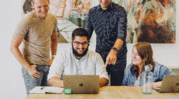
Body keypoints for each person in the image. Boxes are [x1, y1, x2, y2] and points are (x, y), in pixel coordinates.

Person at [10, 0, 57, 95]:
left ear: (49, 3)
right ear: (33, 5)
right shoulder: (26, 20)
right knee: (34, 97)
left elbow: (54, 39)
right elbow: (13, 47)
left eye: (45, 6)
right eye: (39, 7)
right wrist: (28, 68)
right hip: (33, 68)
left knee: (49, 97)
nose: (43, 9)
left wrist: (54, 56)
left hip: (48, 66)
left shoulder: (52, 18)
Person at [85, 0, 127, 85]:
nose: (104, 1)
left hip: (118, 56)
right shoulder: (92, 12)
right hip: (100, 56)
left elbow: (121, 35)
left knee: (117, 88)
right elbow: (86, 34)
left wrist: (114, 51)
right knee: (99, 86)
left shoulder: (120, 10)